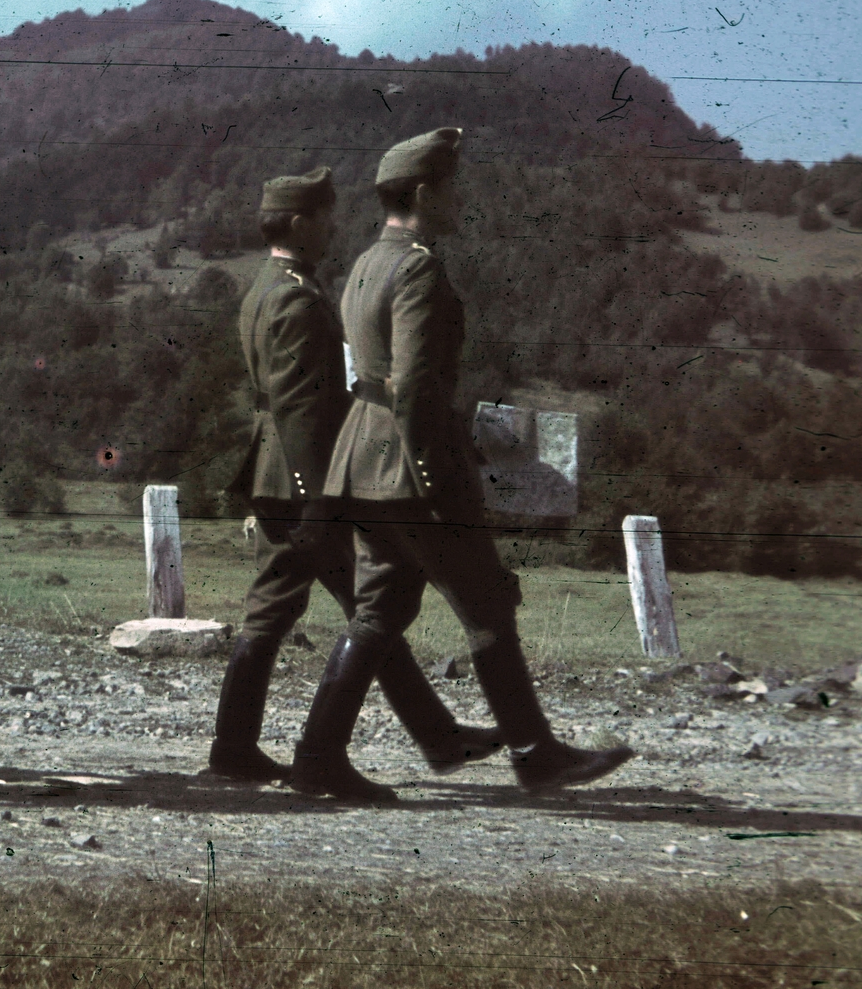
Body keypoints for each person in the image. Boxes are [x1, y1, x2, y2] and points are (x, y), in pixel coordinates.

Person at [290, 128, 634, 801]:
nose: (460, 199)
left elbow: (370, 371)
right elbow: (416, 382)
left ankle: (316, 757)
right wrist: (430, 468)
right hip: (413, 465)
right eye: (451, 188)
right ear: (424, 192)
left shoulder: (363, 263)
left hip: (361, 461)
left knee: (378, 610)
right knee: (486, 603)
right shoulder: (418, 266)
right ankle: (537, 755)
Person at [212, 167, 500, 785]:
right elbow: (297, 409)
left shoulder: (262, 287)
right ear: (300, 224)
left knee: (338, 610)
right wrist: (322, 496)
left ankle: (238, 749)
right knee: (364, 611)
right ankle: (255, 753)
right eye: (324, 219)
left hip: (276, 475)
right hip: (303, 481)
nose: (332, 228)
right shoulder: (294, 295)